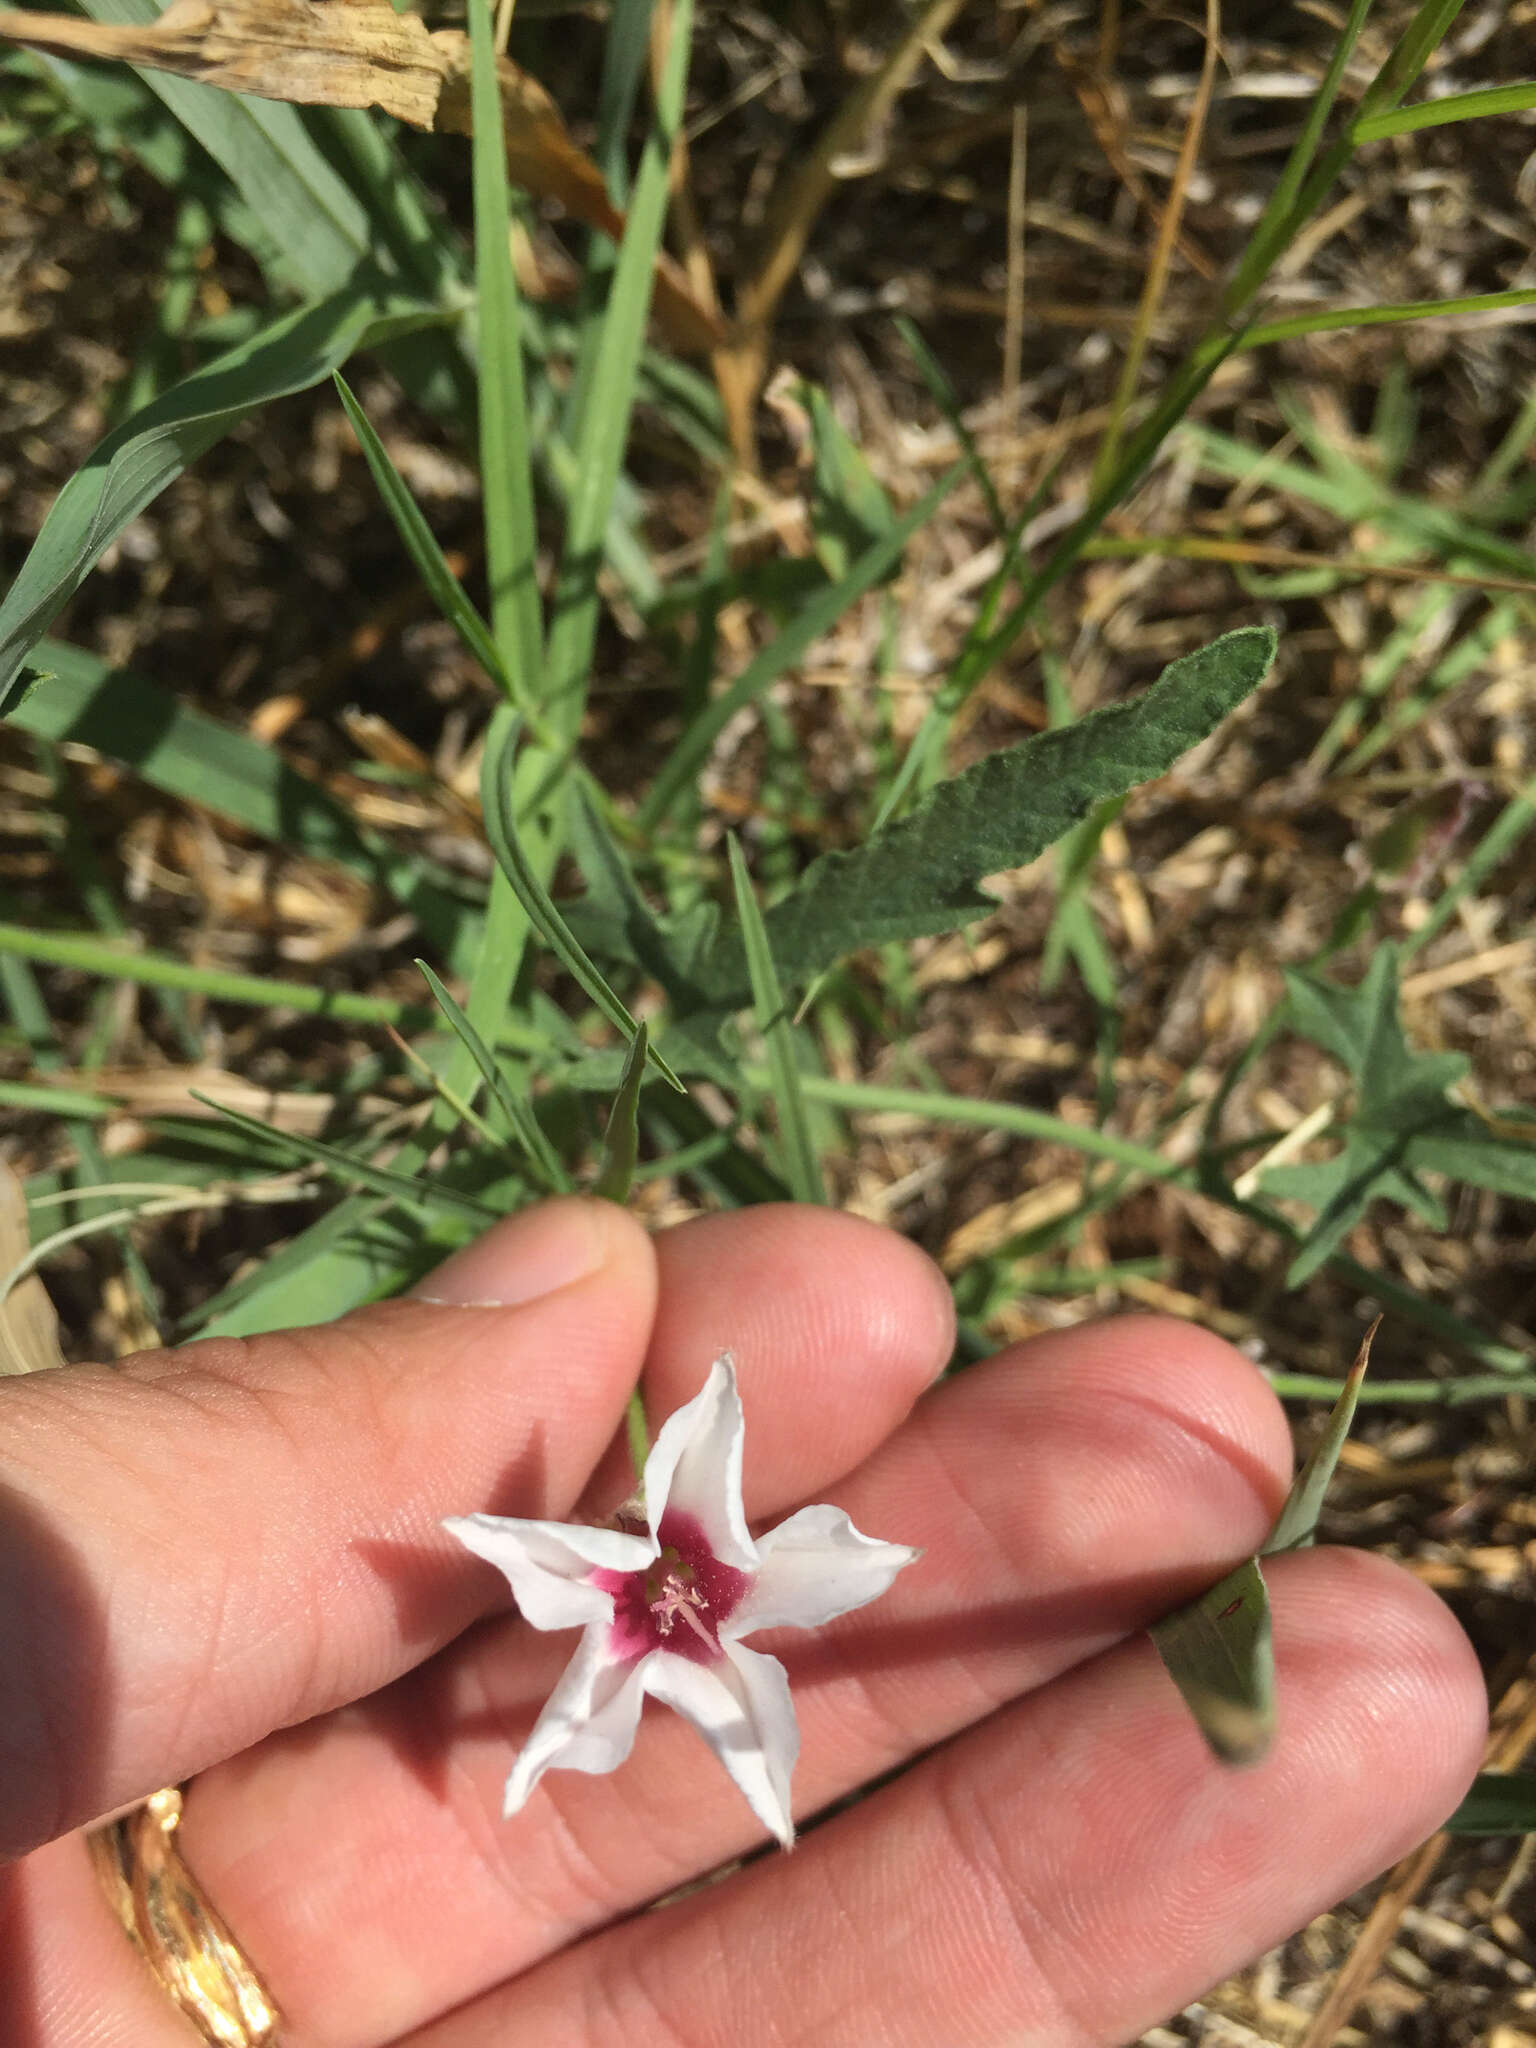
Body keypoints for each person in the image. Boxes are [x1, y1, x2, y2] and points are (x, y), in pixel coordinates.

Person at [0, 1197, 1485, 2046]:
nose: (669, 1591)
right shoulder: (658, 1540)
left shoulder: (707, 1576)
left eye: (679, 1588)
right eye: (666, 1583)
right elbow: (650, 1507)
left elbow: (687, 1550)